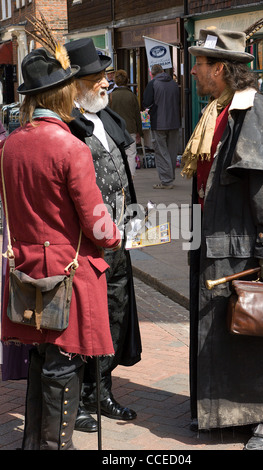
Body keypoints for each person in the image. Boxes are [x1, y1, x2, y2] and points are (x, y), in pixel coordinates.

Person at [0, 47, 121, 450]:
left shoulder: (11, 144)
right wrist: (115, 236)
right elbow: (97, 221)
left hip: (27, 266)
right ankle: (55, 446)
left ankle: (34, 442)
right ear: (58, 95)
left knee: (41, 357)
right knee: (64, 363)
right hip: (69, 272)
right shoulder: (71, 147)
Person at [183, 26, 263, 451]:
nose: (193, 71)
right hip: (215, 241)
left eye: (200, 63)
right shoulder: (219, 110)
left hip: (247, 245)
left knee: (260, 326)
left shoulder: (256, 112)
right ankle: (224, 412)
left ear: (223, 69)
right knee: (223, 332)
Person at [65, 38, 142, 431]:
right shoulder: (66, 123)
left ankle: (102, 392)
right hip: (83, 243)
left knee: (115, 314)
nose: (105, 84)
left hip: (117, 240)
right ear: (77, 84)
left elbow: (124, 173)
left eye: (106, 76)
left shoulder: (108, 117)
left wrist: (134, 215)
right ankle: (75, 399)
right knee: (82, 320)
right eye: (98, 78)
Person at [142, 64, 180, 189]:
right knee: (171, 151)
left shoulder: (153, 84)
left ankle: (166, 180)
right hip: (174, 121)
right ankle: (170, 176)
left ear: (152, 73)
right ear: (163, 71)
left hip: (159, 122)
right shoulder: (174, 84)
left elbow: (146, 102)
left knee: (161, 151)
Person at [110, 69, 143, 177]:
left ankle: (120, 175)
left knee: (118, 153)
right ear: (127, 81)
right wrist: (139, 131)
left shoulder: (111, 96)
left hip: (116, 130)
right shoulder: (132, 96)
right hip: (131, 129)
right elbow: (137, 115)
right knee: (131, 154)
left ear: (115, 81)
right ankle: (131, 176)